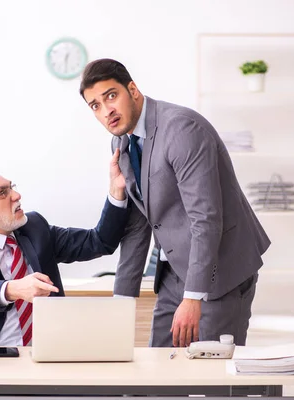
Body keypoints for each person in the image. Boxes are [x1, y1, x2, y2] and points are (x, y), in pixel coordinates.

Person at [79, 59, 271, 348]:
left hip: (222, 268)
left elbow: (205, 219)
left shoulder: (182, 130)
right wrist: (121, 303)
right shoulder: (120, 143)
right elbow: (139, 223)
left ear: (132, 89)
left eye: (111, 96)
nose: (107, 110)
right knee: (157, 370)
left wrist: (194, 297)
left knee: (213, 380)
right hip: (173, 271)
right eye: (95, 105)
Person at [0, 155, 129, 346]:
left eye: (12, 187)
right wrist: (13, 289)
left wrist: (116, 190)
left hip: (46, 351)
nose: (16, 195)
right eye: (2, 193)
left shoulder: (35, 228)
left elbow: (99, 241)